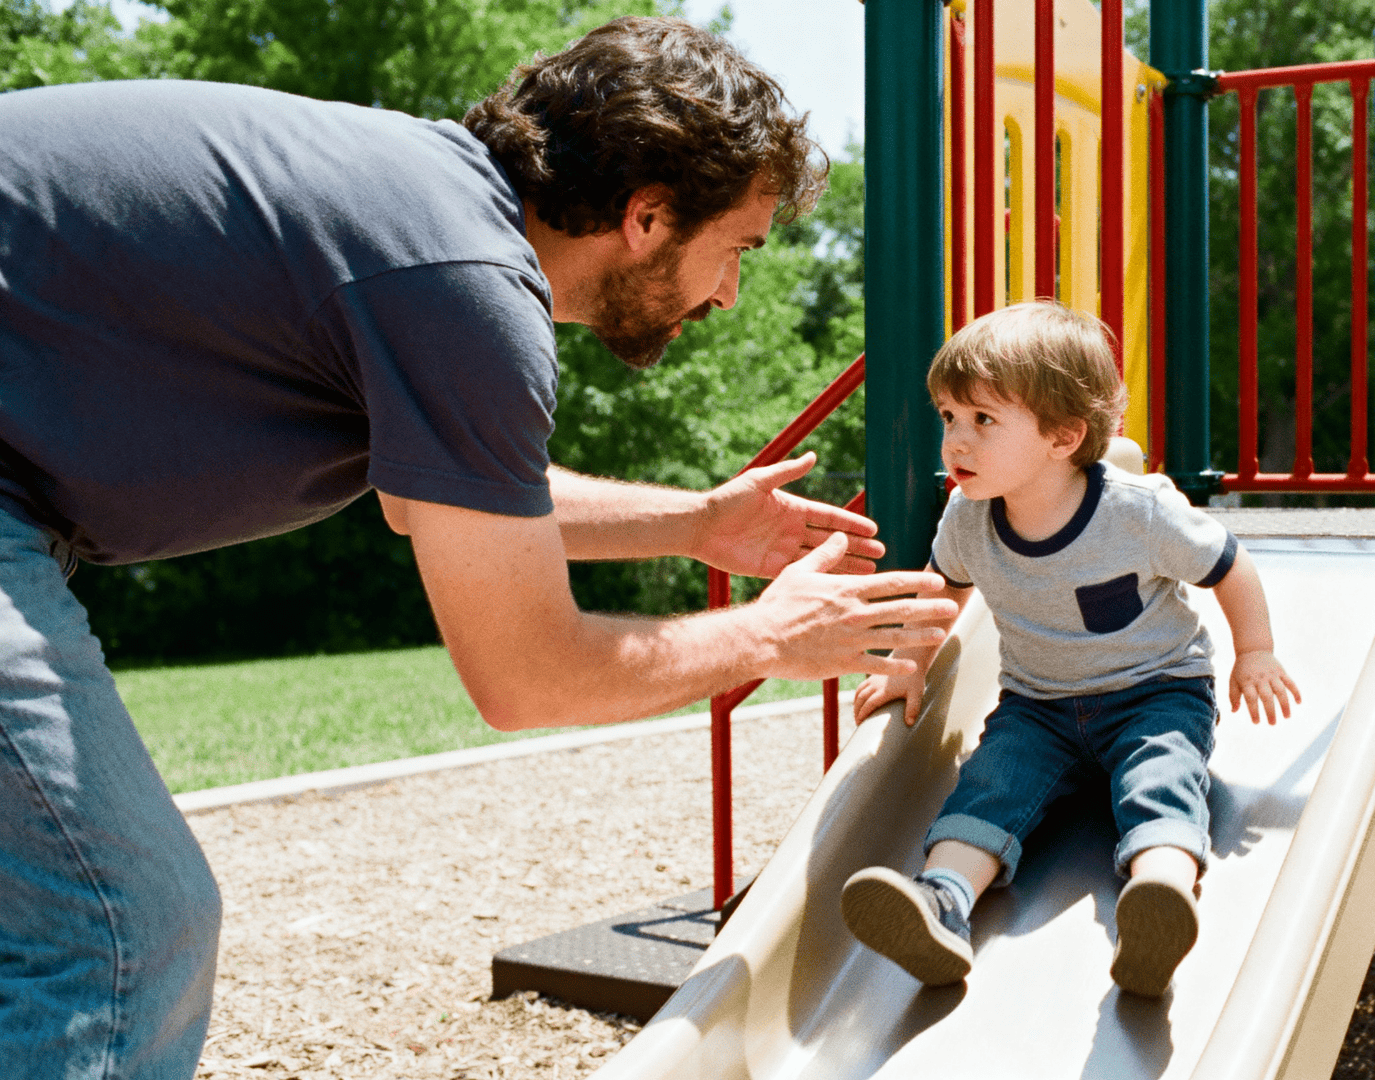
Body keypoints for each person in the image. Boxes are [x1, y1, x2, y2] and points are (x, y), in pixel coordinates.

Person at [0, 17, 956, 1080]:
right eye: (735, 248)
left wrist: (694, 524)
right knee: (123, 930)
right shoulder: (461, 278)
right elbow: (525, 674)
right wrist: (768, 639)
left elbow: (444, 503)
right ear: (647, 216)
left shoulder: (422, 212)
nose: (730, 292)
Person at [837, 302, 1303, 998]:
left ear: (1062, 436)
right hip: (1039, 706)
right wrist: (909, 666)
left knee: (1161, 778)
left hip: (1155, 692)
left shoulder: (1135, 511)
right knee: (992, 784)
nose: (956, 442)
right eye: (948, 419)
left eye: (982, 420)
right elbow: (944, 591)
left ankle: (1160, 898)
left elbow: (1229, 564)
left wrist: (1255, 651)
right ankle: (942, 903)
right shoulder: (969, 519)